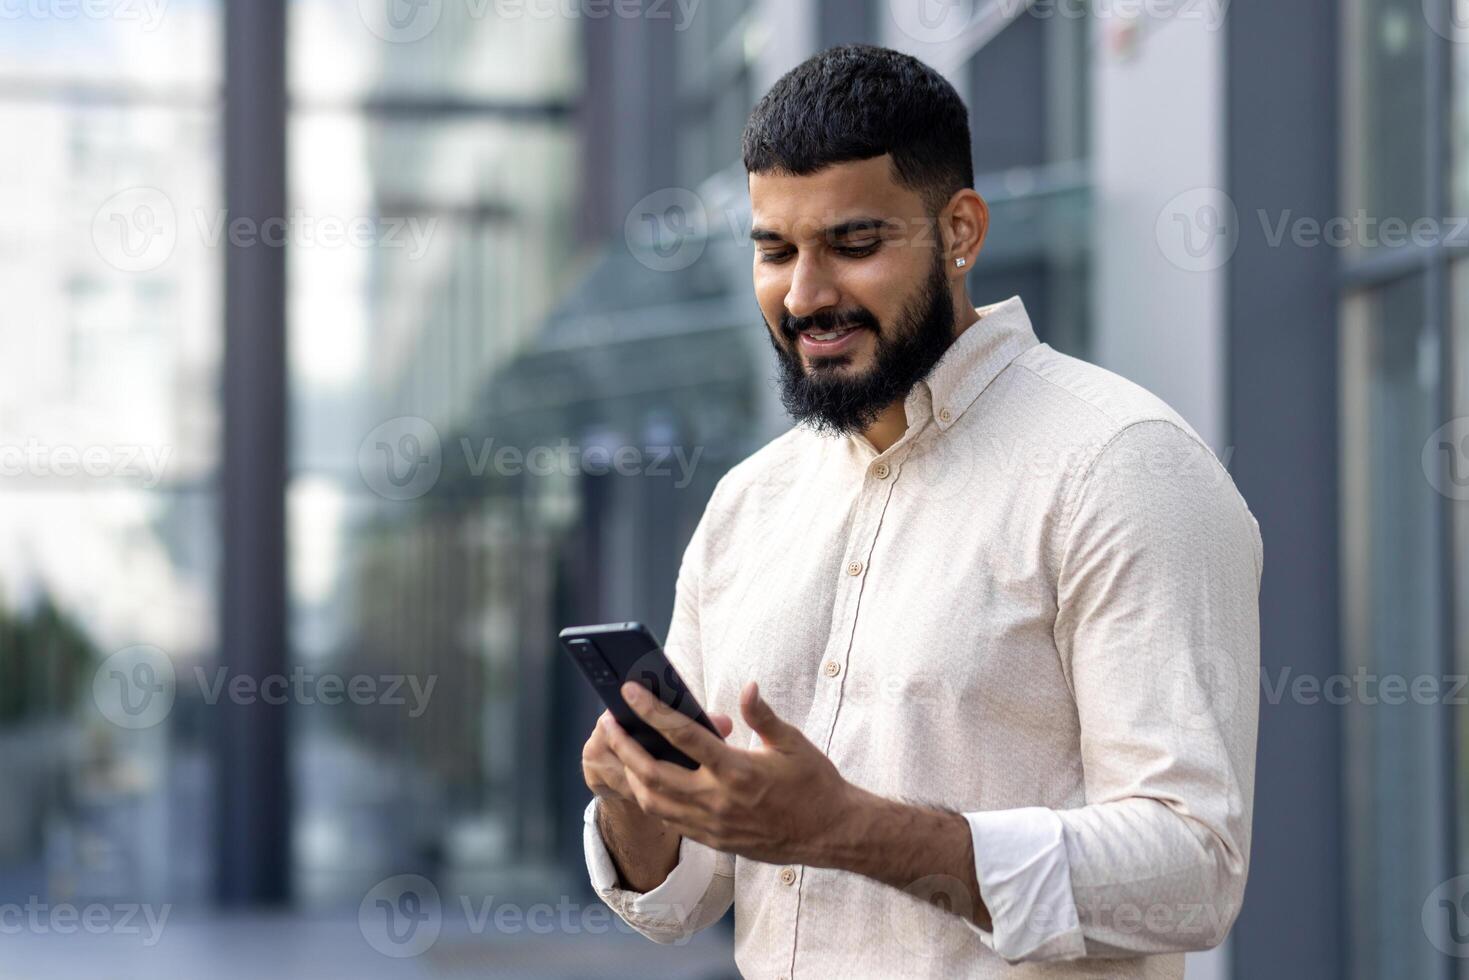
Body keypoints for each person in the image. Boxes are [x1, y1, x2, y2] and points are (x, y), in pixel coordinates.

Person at [581, 43, 1261, 978]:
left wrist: (850, 831)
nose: (805, 295)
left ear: (960, 231)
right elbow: (686, 892)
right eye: (775, 251)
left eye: (853, 246)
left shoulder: (1122, 467)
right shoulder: (748, 504)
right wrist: (632, 793)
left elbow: (1193, 872)